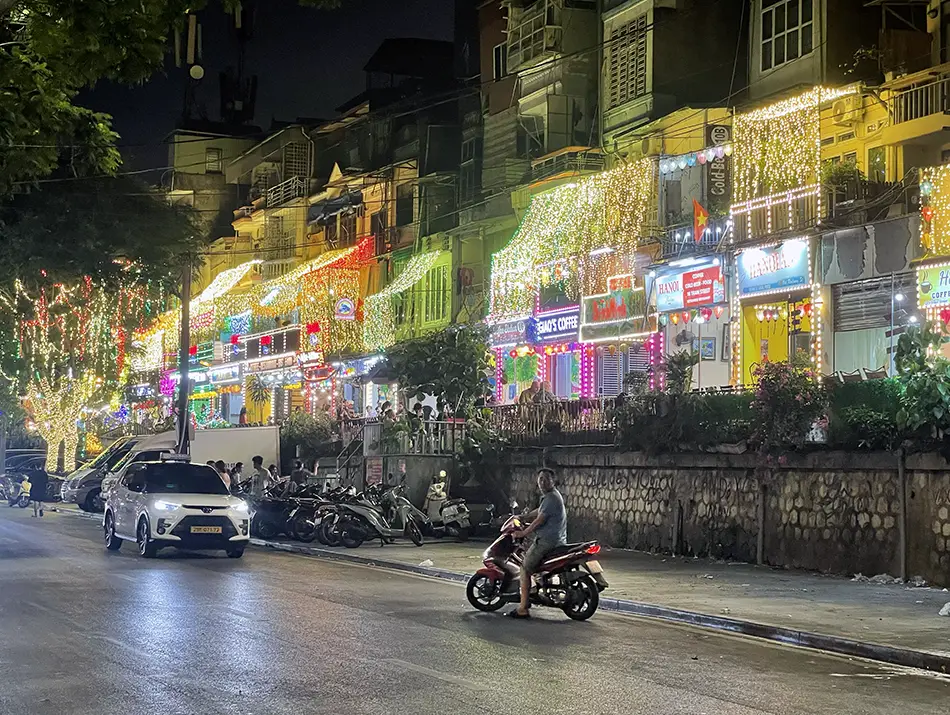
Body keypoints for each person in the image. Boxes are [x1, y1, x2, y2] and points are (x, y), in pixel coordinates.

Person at [508, 468, 567, 619]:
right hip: (557, 539)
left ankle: (523, 608)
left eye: (546, 479)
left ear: (553, 481)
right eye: (540, 479)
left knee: (525, 568)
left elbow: (538, 521)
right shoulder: (550, 497)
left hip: (547, 541)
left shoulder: (551, 498)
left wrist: (522, 532)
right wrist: (524, 516)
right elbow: (540, 512)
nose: (542, 482)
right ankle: (535, 590)